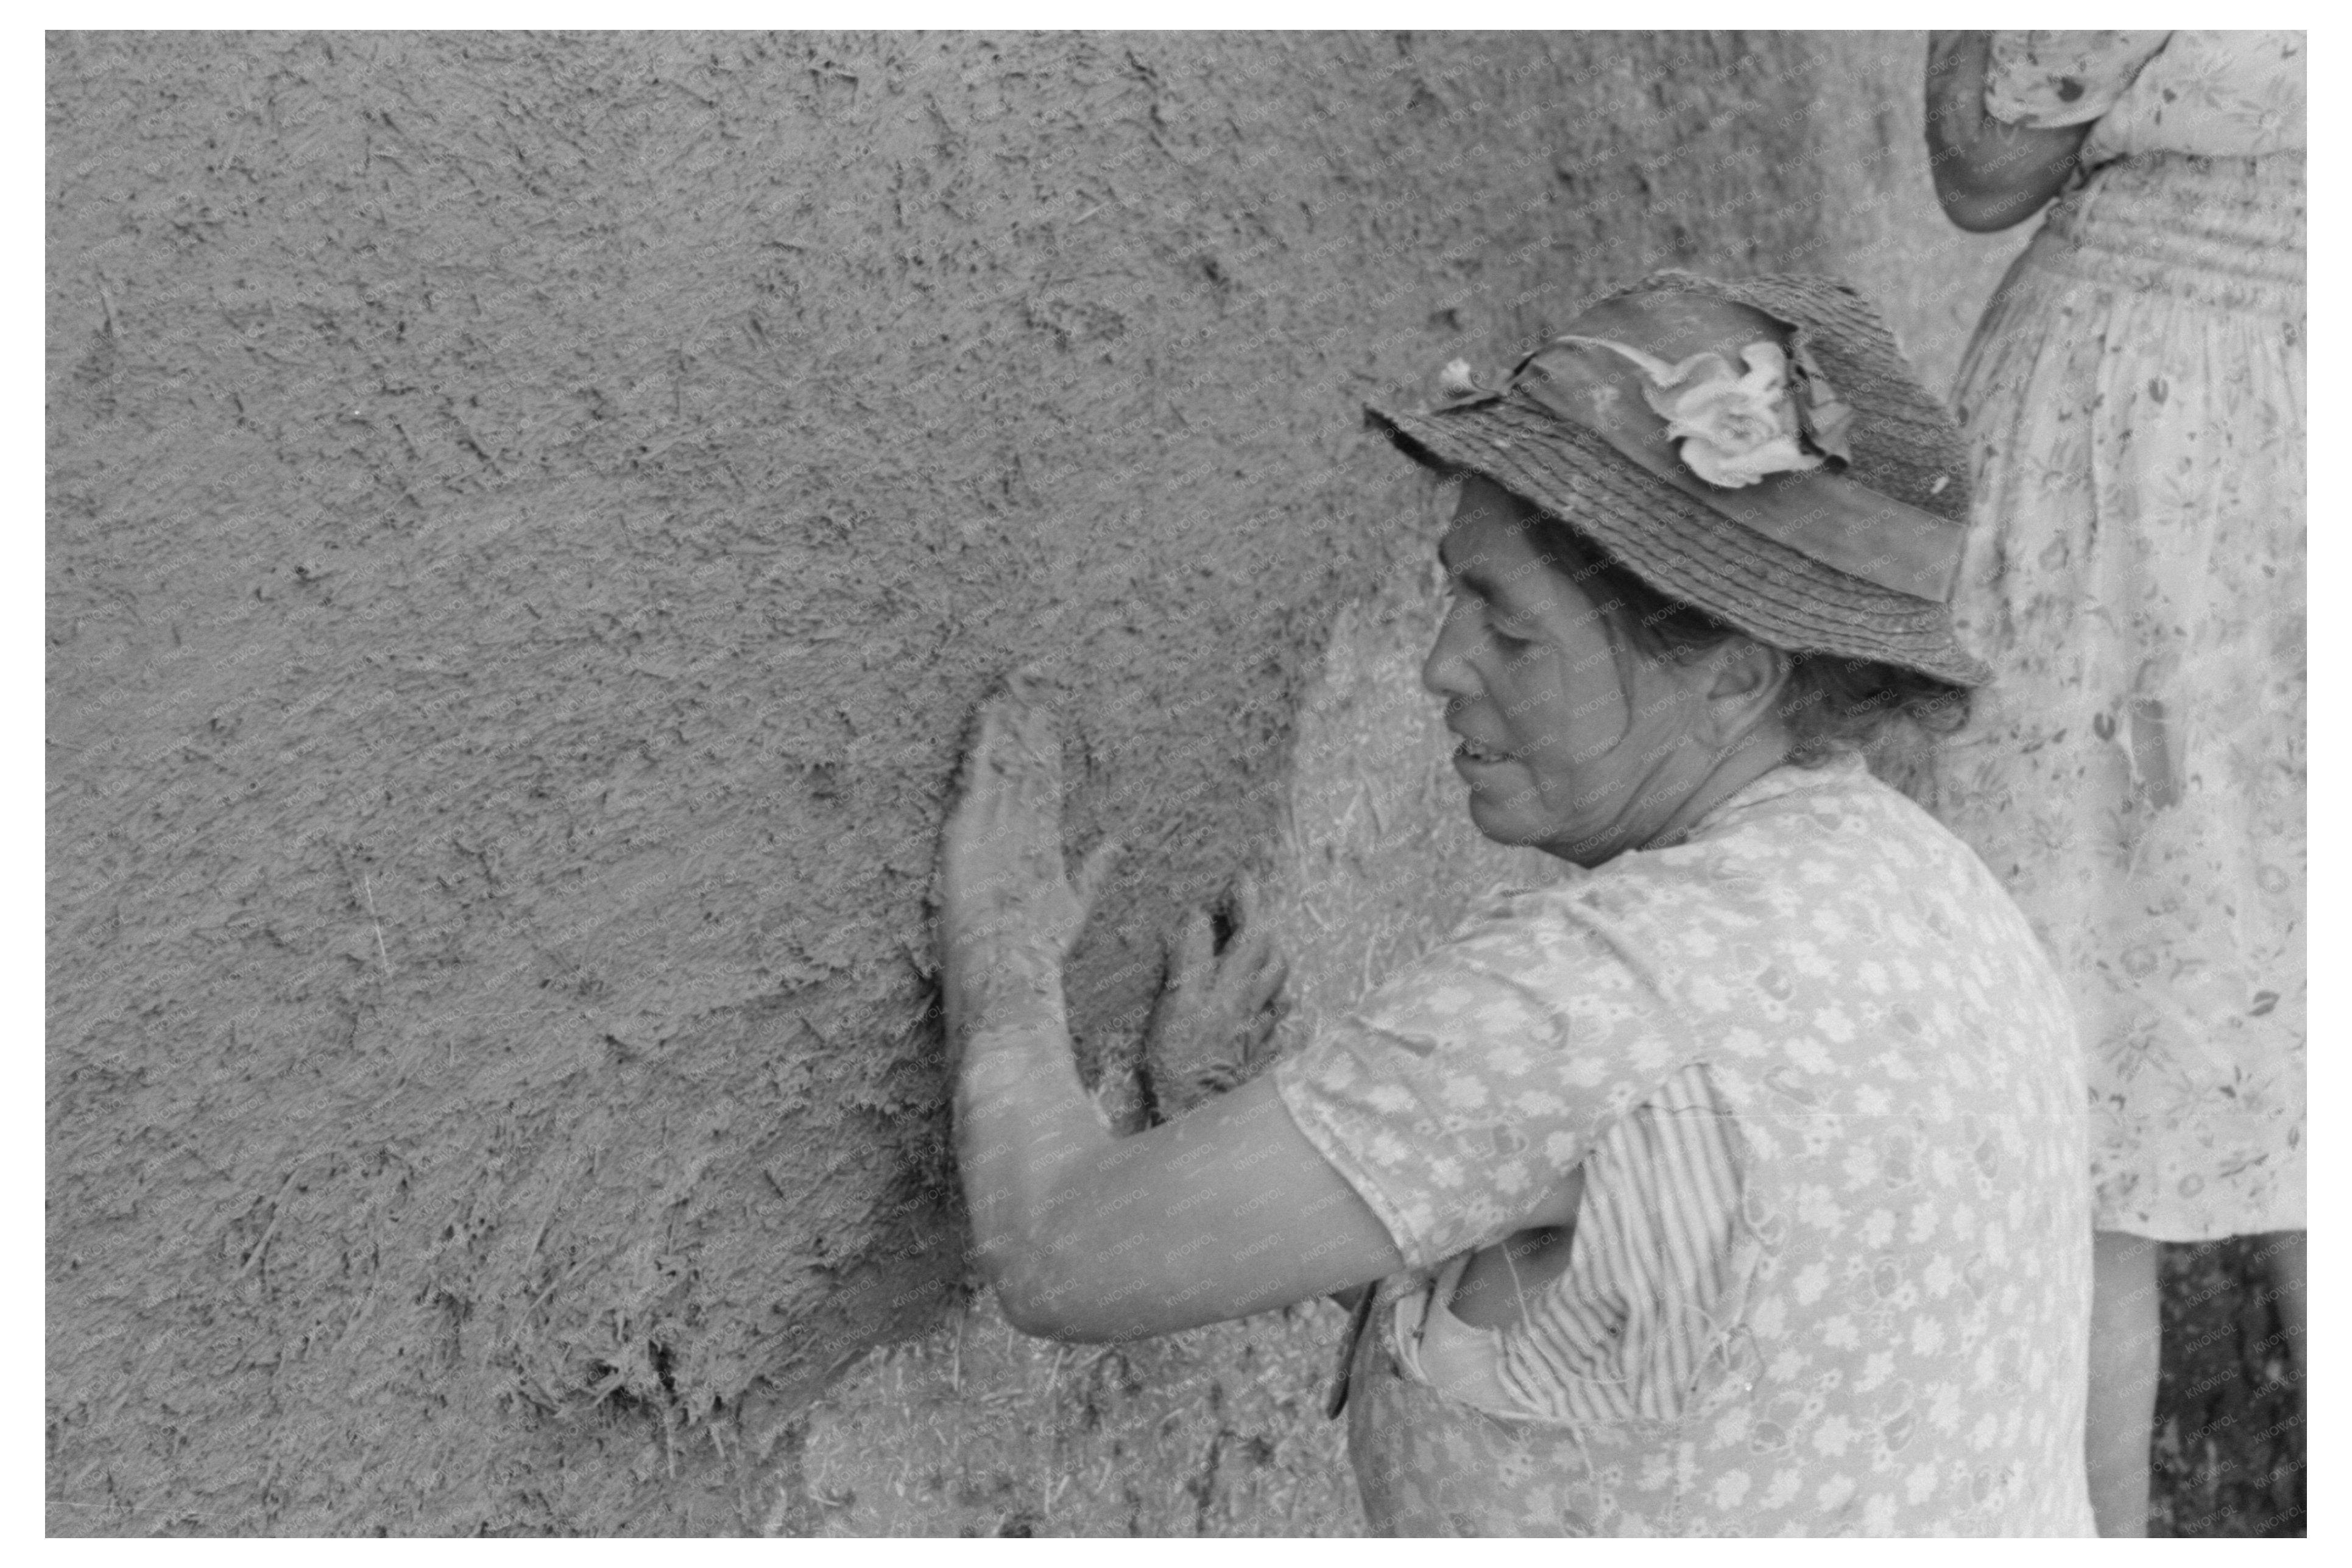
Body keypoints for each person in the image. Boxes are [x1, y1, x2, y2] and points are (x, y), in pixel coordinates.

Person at [936, 272, 2096, 1535]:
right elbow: (1650, 1324)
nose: (1439, 665)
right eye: (1453, 592)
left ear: (1731, 678)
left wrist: (999, 956)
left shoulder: (1597, 995)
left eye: (1507, 627)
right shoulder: (1930, 899)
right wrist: (1244, 1135)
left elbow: (1058, 1253)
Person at [1923, 32, 2305, 1535]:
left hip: (2151, 418)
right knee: (2112, 1036)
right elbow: (1977, 172)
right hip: (2149, 448)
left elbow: (1980, 166)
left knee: (2083, 1039)